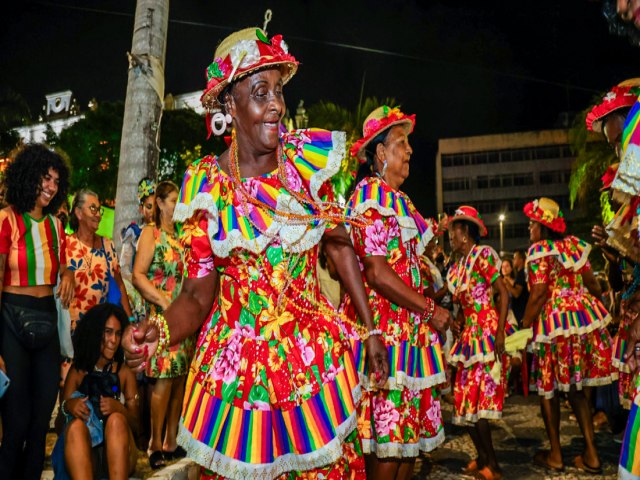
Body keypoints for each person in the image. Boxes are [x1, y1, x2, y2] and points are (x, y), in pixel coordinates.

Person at [123, 25, 389, 479]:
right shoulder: (207, 188)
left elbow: (341, 246)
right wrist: (160, 332)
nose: (276, 105)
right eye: (260, 91)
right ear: (229, 102)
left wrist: (368, 329)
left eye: (279, 91)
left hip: (313, 363)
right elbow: (196, 297)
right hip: (239, 381)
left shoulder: (308, 164)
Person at [341, 106, 449, 480]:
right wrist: (428, 310)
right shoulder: (371, 195)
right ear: (381, 153)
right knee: (386, 449)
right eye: (401, 143)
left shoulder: (400, 201)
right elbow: (376, 271)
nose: (410, 151)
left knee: (405, 447)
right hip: (384, 331)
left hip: (409, 333)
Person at [520, 197, 613, 474]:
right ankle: (592, 454)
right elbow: (594, 284)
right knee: (575, 390)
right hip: (579, 320)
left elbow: (537, 294)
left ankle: (556, 455)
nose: (529, 229)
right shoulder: (573, 246)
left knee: (547, 390)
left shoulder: (539, 251)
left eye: (531, 224)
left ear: (542, 226)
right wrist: (591, 309)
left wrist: (525, 326)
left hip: (553, 323)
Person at [0, 143, 74, 480]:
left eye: (57, 181)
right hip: (10, 319)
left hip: (45, 319)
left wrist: (69, 274)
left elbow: (62, 268)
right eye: (45, 178)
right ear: (29, 176)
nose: (51, 186)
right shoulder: (6, 220)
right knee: (15, 420)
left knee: (41, 416)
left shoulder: (57, 226)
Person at [132, 180, 193, 469]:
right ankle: (154, 444)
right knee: (165, 377)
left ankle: (171, 440)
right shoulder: (150, 233)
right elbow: (138, 275)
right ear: (159, 202)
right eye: (172, 200)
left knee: (180, 378)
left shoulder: (182, 234)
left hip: (184, 317)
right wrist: (165, 302)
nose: (177, 205)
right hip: (163, 317)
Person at [446, 206, 510, 480]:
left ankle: (493, 466)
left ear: (466, 233)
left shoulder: (483, 256)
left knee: (480, 402)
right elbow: (460, 303)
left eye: (454, 231)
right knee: (463, 401)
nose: (450, 236)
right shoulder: (458, 266)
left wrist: (499, 332)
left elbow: (503, 294)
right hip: (468, 337)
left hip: (484, 334)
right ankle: (483, 457)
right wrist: (457, 319)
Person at [57, 303, 139, 479]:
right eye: (108, 332)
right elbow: (59, 426)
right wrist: (69, 406)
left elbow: (138, 428)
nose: (114, 340)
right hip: (86, 457)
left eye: (118, 333)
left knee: (116, 420)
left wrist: (120, 409)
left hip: (121, 456)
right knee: (76, 427)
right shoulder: (78, 372)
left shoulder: (124, 373)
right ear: (95, 333)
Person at [67, 189, 133, 331]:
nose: (98, 215)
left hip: (100, 329)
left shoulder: (107, 245)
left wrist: (129, 321)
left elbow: (119, 284)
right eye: (93, 209)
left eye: (99, 210)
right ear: (78, 213)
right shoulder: (66, 245)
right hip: (72, 330)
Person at [120, 178, 156, 283]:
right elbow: (124, 268)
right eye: (149, 207)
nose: (153, 212)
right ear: (141, 209)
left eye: (156, 207)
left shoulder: (165, 233)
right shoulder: (134, 232)